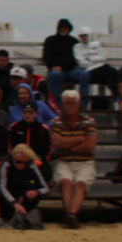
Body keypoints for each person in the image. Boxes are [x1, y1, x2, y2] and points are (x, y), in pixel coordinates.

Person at [49, 89, 97, 229]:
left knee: (80, 184)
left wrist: (67, 144)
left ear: (78, 104)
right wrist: (80, 138)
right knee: (65, 182)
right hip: (64, 161)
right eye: (67, 103)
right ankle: (71, 215)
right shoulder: (56, 122)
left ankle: (71, 214)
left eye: (72, 103)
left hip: (85, 162)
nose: (70, 106)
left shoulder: (89, 121)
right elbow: (56, 142)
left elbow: (91, 145)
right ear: (63, 105)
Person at [0, 144, 49, 230]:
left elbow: (45, 188)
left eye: (25, 162)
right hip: (9, 196)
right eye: (18, 161)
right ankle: (18, 218)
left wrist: (37, 192)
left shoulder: (32, 166)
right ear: (13, 158)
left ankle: (27, 219)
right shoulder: (6, 165)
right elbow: (2, 187)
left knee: (30, 187)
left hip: (25, 196)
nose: (21, 164)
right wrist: (14, 203)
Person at [42, 18, 89, 101]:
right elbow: (46, 56)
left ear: (69, 29)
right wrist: (52, 66)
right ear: (58, 28)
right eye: (62, 27)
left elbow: (79, 56)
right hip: (56, 70)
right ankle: (56, 103)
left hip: (72, 70)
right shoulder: (50, 40)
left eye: (66, 27)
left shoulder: (74, 41)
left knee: (84, 75)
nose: (64, 29)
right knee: (54, 75)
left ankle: (83, 102)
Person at [7, 101, 52, 181]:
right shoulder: (15, 127)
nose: (28, 115)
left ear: (36, 113)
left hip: (37, 160)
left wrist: (39, 160)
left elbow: (47, 149)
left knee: (46, 170)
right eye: (25, 112)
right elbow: (10, 147)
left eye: (31, 112)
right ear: (22, 113)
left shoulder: (43, 129)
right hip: (18, 159)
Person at [74, 26, 118, 102]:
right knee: (109, 69)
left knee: (112, 71)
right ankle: (115, 94)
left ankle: (115, 94)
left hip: (100, 69)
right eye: (81, 36)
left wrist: (90, 58)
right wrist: (96, 59)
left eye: (85, 35)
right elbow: (82, 63)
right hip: (88, 71)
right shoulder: (77, 47)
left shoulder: (96, 44)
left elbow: (103, 57)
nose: (83, 38)